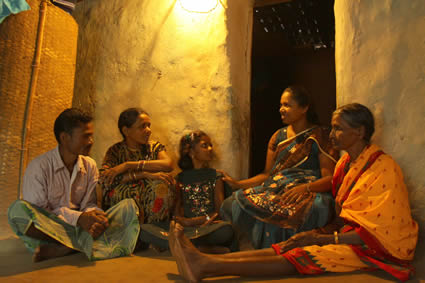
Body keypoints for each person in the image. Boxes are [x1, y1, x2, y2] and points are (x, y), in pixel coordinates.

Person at [169, 103, 418, 282]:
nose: (331, 135)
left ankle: (206, 266)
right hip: (345, 234)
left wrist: (321, 239)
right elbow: (345, 217)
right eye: (332, 128)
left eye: (338, 129)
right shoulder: (345, 164)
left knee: (302, 254)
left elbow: (376, 233)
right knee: (289, 244)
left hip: (378, 248)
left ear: (360, 132)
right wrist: (317, 233)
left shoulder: (383, 168)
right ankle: (201, 259)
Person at [8, 108, 140, 262]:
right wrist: (79, 218)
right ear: (64, 138)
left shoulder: (89, 165)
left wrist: (96, 217)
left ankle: (68, 247)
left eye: (91, 135)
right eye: (85, 136)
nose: (91, 141)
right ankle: (87, 244)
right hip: (54, 229)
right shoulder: (39, 167)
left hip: (82, 227)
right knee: (17, 211)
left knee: (129, 207)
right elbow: (39, 214)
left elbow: (89, 204)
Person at [220, 85, 338, 249]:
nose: (281, 109)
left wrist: (305, 188)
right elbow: (267, 175)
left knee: (318, 206)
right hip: (276, 186)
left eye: (287, 105)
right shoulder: (277, 137)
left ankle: (285, 251)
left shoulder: (319, 136)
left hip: (307, 189)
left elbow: (330, 179)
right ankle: (250, 249)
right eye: (281, 105)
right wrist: (238, 184)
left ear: (304, 108)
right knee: (232, 203)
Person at [136, 131, 234, 253]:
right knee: (144, 229)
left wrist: (195, 221)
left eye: (211, 145)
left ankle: (182, 245)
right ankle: (199, 247)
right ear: (191, 152)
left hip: (208, 227)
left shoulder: (216, 176)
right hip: (186, 230)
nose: (210, 149)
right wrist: (183, 222)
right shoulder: (179, 178)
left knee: (226, 229)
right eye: (205, 145)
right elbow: (177, 213)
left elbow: (220, 211)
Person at [98, 107, 174, 248]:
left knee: (162, 184)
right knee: (121, 192)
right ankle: (129, 238)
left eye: (149, 126)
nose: (148, 130)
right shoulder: (115, 151)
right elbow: (104, 179)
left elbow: (168, 164)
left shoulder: (154, 147)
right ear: (126, 131)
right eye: (142, 126)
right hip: (126, 199)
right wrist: (142, 174)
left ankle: (153, 236)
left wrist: (128, 165)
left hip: (150, 203)